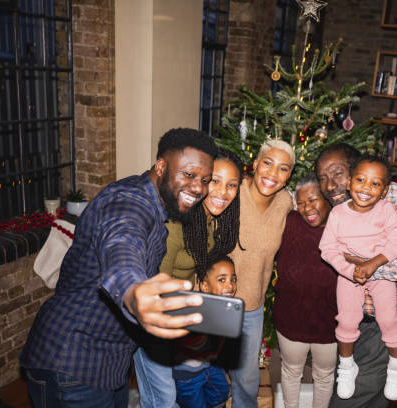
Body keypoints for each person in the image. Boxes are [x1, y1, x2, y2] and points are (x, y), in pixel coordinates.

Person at [19, 128, 217, 408]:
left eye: (205, 180)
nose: (199, 188)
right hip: (70, 362)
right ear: (161, 166)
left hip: (108, 366)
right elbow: (121, 243)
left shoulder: (155, 207)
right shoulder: (129, 202)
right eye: (189, 174)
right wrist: (133, 292)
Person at [315, 143, 397, 408]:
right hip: (354, 323)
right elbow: (327, 251)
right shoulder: (334, 209)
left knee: (349, 402)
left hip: (392, 320)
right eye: (323, 177)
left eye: (337, 173)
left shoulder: (391, 197)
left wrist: (360, 264)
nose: (330, 184)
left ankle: (396, 367)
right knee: (370, 398)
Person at [133, 150, 243, 407]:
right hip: (154, 321)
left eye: (232, 185)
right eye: (215, 181)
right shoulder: (175, 220)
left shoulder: (211, 220)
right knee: (163, 397)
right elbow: (156, 282)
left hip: (180, 322)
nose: (222, 192)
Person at [228, 139, 295, 408]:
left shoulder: (285, 202)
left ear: (289, 175)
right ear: (255, 164)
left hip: (253, 306)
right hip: (216, 300)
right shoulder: (232, 191)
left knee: (246, 378)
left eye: (283, 168)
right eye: (267, 163)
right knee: (204, 373)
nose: (272, 174)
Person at [273, 174, 338, 408]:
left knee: (324, 376)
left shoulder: (343, 225)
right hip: (291, 319)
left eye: (312, 200)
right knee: (291, 372)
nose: (306, 208)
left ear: (328, 199)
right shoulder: (289, 221)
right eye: (300, 203)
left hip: (330, 323)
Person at [173, 254, 238, 408]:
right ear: (204, 286)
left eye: (233, 279)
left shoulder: (225, 310)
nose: (230, 285)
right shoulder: (195, 311)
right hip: (188, 374)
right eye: (222, 280)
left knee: (221, 393)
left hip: (209, 366)